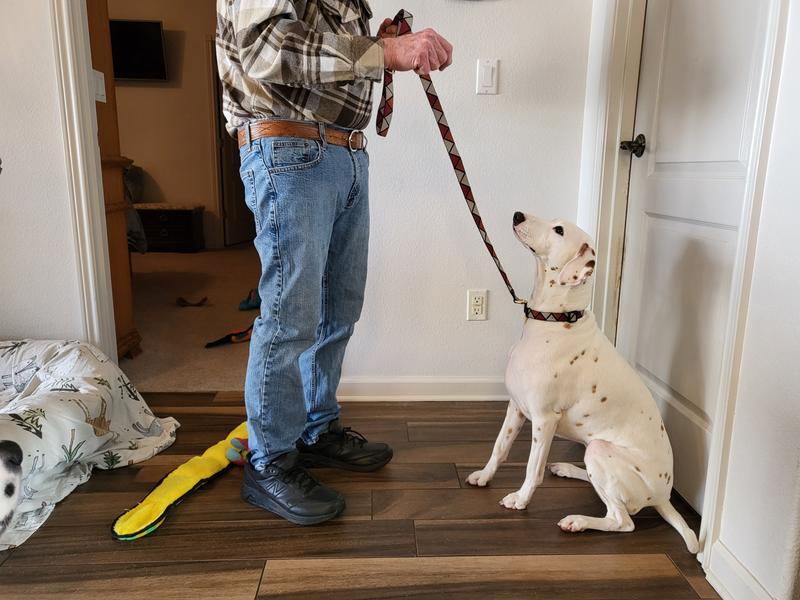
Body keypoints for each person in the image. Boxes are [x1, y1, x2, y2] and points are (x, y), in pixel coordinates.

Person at [216, 0, 453, 525]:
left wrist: (374, 44)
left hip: (343, 154)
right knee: (290, 318)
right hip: (288, 151)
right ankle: (270, 462)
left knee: (337, 309)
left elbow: (321, 53)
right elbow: (268, 52)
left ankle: (315, 428)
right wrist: (384, 50)